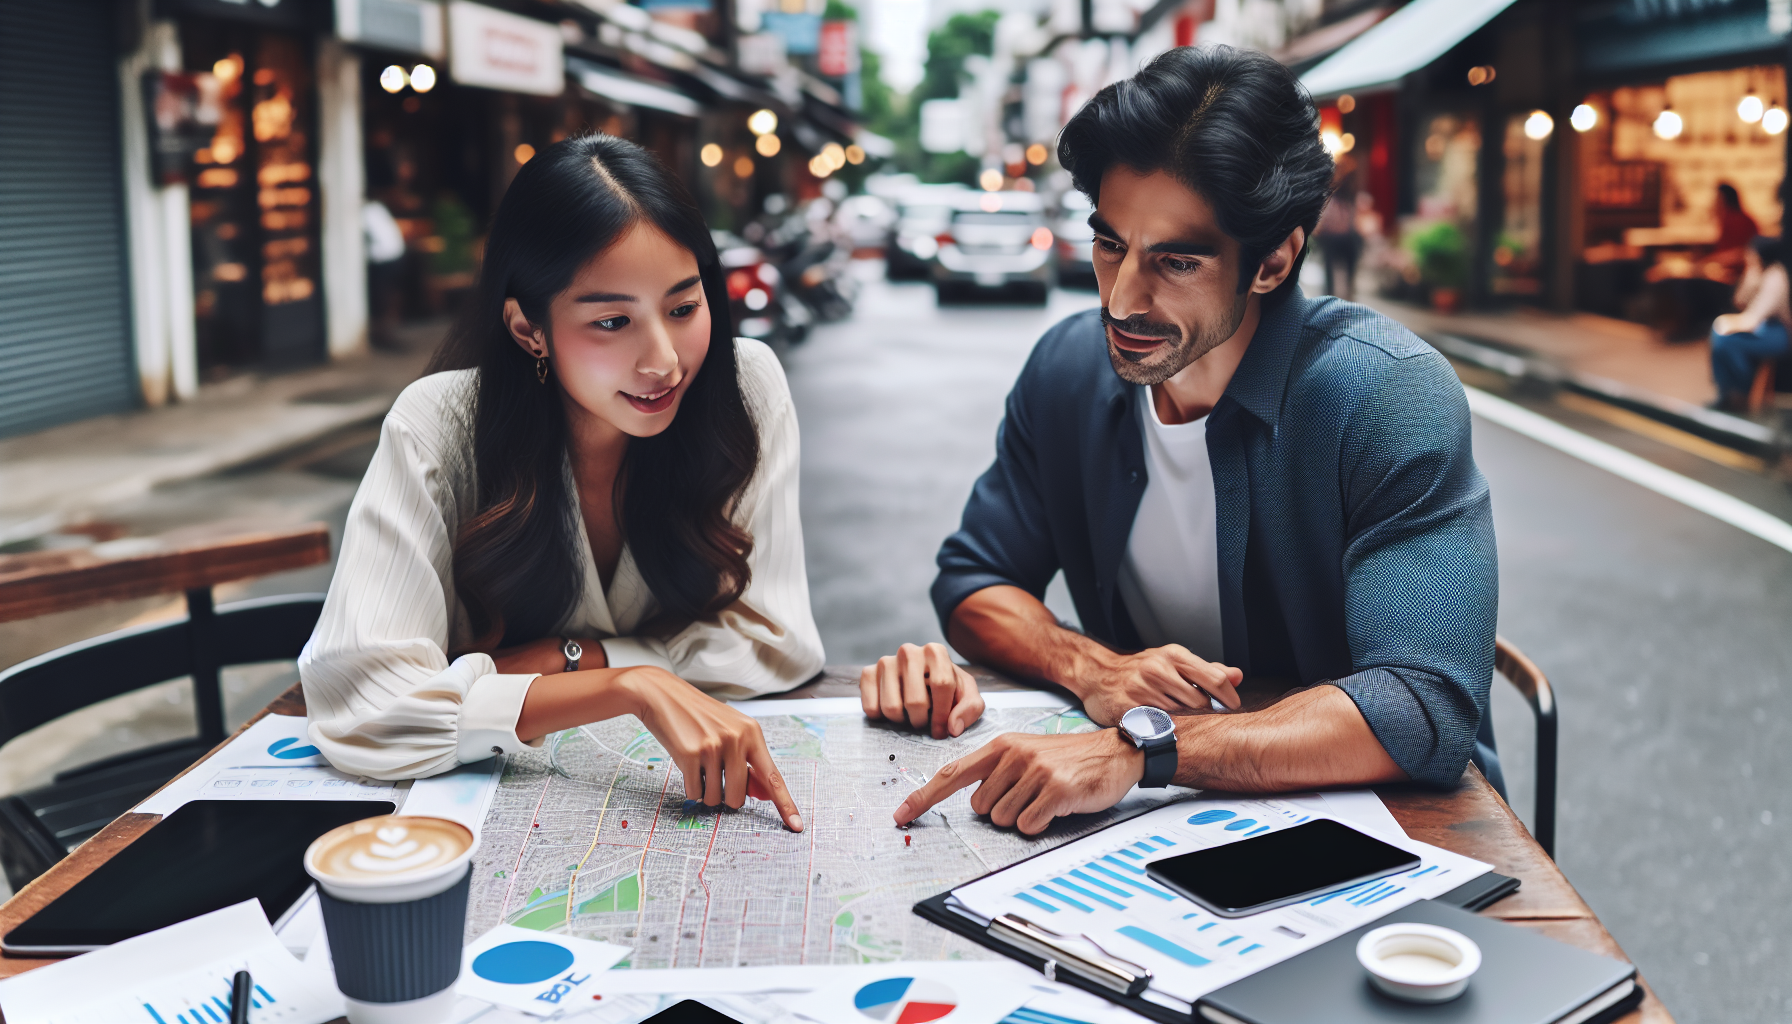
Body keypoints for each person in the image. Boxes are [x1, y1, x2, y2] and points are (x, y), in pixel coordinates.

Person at [876, 46, 1499, 836]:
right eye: (1110, 245)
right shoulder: (1067, 370)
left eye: (1175, 261)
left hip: (1403, 824)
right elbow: (973, 581)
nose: (1122, 298)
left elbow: (1421, 705)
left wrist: (1142, 751)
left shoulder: (1384, 394)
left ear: (1272, 261)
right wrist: (1091, 668)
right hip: (1164, 824)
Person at [300, 135, 821, 832]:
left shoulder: (743, 387)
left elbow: (774, 643)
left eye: (683, 308)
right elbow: (363, 708)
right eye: (612, 321)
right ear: (528, 329)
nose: (663, 361)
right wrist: (629, 685)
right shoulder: (440, 424)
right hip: (480, 821)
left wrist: (576, 660)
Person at [1710, 235, 1789, 411]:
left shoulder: (1776, 276)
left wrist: (1730, 323)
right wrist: (1750, 274)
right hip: (1759, 327)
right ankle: (1727, 391)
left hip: (1776, 332)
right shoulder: (1758, 271)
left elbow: (1756, 317)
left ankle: (1741, 388)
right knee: (1718, 336)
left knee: (1724, 340)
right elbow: (1739, 300)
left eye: (1751, 253)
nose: (1748, 256)